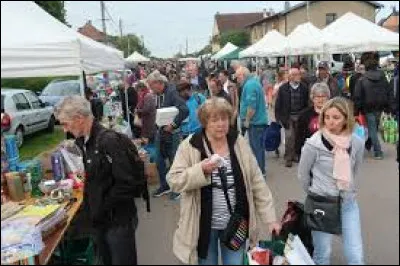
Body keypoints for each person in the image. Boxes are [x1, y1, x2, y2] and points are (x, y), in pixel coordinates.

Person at [167, 97, 280, 265]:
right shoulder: (190, 145)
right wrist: (201, 170)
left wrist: (271, 219)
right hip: (203, 226)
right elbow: (174, 180)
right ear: (205, 122)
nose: (221, 124)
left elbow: (257, 182)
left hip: (235, 223)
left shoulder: (238, 142)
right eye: (214, 120)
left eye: (224, 118)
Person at [55, 96, 140, 265]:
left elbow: (127, 184)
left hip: (117, 221)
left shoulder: (109, 141)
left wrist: (102, 206)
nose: (65, 129)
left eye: (65, 123)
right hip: (101, 220)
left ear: (79, 119)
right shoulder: (84, 141)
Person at [298, 97, 365, 265]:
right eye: (327, 117)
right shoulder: (313, 144)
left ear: (346, 119)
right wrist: (316, 192)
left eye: (336, 118)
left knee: (355, 255)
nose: (331, 122)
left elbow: (354, 169)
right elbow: (303, 175)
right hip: (322, 204)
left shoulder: (356, 142)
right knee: (322, 253)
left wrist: (345, 189)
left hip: (347, 203)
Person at [147, 70, 189, 197]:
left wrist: (173, 125)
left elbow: (184, 110)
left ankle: (177, 188)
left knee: (174, 160)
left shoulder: (172, 92)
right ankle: (165, 186)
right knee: (159, 158)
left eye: (151, 86)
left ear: (158, 83)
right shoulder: (158, 94)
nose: (150, 89)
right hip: (161, 131)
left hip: (172, 133)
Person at [354, 52, 393, 159]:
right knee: (374, 128)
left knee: (372, 129)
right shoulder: (383, 77)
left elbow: (358, 96)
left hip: (368, 107)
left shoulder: (362, 79)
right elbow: (388, 91)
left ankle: (378, 151)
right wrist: (389, 106)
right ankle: (370, 144)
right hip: (380, 106)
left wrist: (356, 111)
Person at [236, 66, 268, 176]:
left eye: (238, 78)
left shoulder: (249, 85)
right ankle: (261, 169)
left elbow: (251, 106)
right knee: (258, 147)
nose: (237, 80)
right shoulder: (253, 83)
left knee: (256, 148)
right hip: (258, 121)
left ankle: (260, 171)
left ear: (242, 76)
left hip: (255, 122)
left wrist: (247, 120)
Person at [275, 67, 309, 167]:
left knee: (298, 137)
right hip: (288, 116)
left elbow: (307, 103)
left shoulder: (304, 87)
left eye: (298, 74)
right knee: (289, 137)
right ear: (290, 77)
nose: (298, 77)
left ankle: (295, 155)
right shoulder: (283, 88)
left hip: (300, 116)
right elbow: (278, 103)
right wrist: (278, 118)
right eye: (295, 75)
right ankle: (288, 157)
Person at [296, 83, 330, 156]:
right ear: (312, 98)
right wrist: (299, 152)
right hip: (310, 152)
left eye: (323, 96)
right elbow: (299, 136)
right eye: (317, 96)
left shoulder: (333, 113)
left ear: (328, 97)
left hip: (329, 153)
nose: (320, 99)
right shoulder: (304, 115)